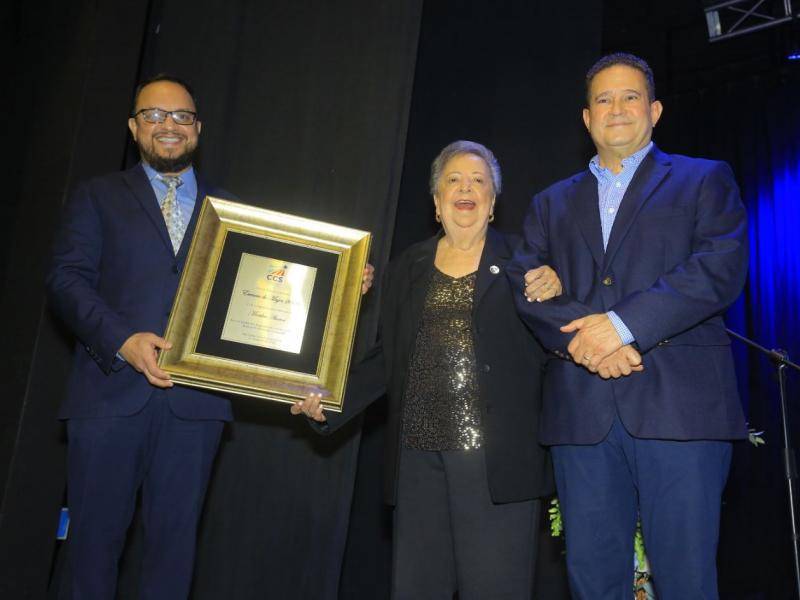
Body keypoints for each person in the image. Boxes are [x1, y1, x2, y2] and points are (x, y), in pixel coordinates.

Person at [47, 74, 375, 599]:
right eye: (155, 115)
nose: (168, 126)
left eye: (181, 116)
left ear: (197, 128)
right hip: (108, 400)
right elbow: (65, 281)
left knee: (173, 555)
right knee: (91, 551)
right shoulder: (98, 196)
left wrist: (338, 287)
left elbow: (274, 298)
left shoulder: (234, 213)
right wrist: (123, 340)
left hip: (196, 408)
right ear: (134, 127)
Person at [508, 53, 748, 599]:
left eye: (630, 96)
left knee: (688, 581)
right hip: (581, 413)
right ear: (587, 119)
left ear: (655, 110)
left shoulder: (703, 178)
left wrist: (620, 325)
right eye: (603, 99)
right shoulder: (549, 203)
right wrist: (593, 339)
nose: (617, 108)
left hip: (680, 410)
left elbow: (718, 268)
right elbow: (523, 284)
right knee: (593, 583)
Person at [293, 140, 559, 599]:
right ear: (436, 202)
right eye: (453, 179)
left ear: (493, 202)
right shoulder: (407, 267)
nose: (466, 188)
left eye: (479, 181)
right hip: (417, 463)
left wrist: (558, 287)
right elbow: (386, 360)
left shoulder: (525, 266)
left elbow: (556, 346)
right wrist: (329, 403)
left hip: (496, 466)